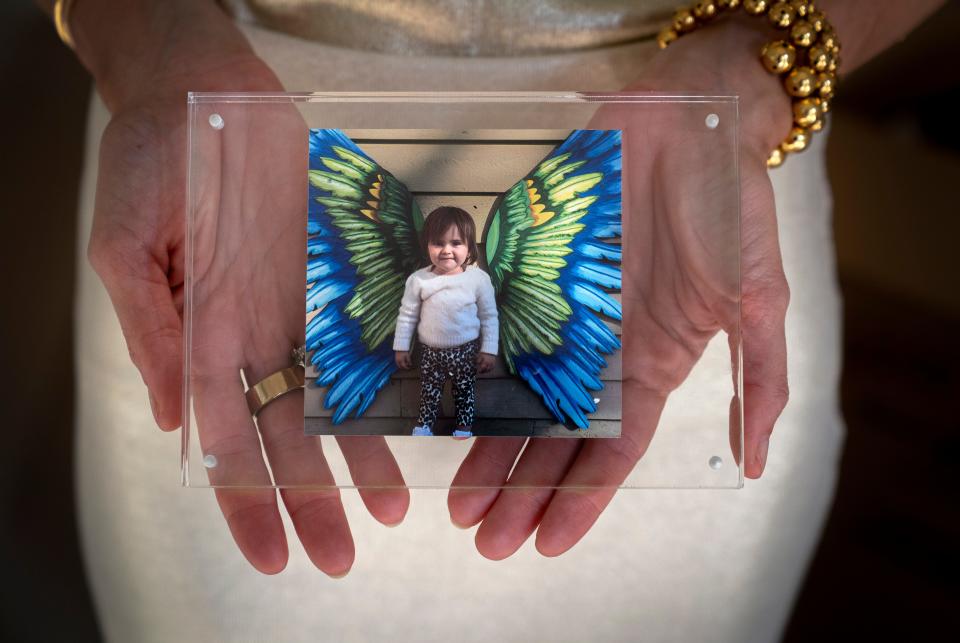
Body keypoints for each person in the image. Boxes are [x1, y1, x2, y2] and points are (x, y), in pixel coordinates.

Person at [46, 0, 946, 640]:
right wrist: (152, 40)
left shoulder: (487, 278)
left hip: (667, 254)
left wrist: (752, 72)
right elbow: (403, 309)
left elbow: (476, 311)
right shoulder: (404, 276)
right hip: (227, 261)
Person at [393, 207, 499, 438]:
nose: (446, 250)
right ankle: (424, 427)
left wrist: (489, 350)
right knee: (429, 391)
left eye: (456, 243)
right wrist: (401, 347)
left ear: (469, 247)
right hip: (430, 352)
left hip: (466, 351)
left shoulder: (478, 279)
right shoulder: (419, 280)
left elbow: (489, 317)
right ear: (427, 246)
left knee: (464, 392)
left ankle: (463, 428)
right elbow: (408, 315)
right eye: (438, 243)